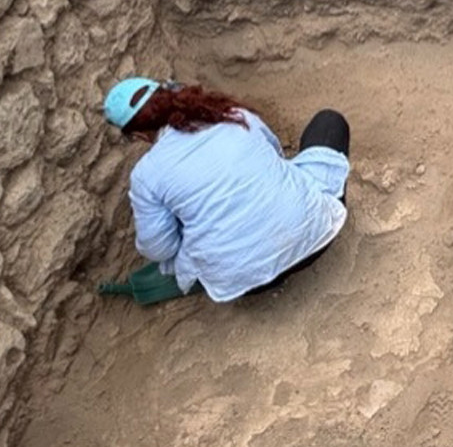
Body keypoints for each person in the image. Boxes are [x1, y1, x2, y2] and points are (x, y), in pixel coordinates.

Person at [102, 77, 352, 302]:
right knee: (329, 123)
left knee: (186, 223)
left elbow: (158, 249)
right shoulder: (231, 115)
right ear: (170, 95)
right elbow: (274, 154)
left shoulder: (145, 175)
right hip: (316, 240)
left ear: (139, 134)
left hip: (245, 283)